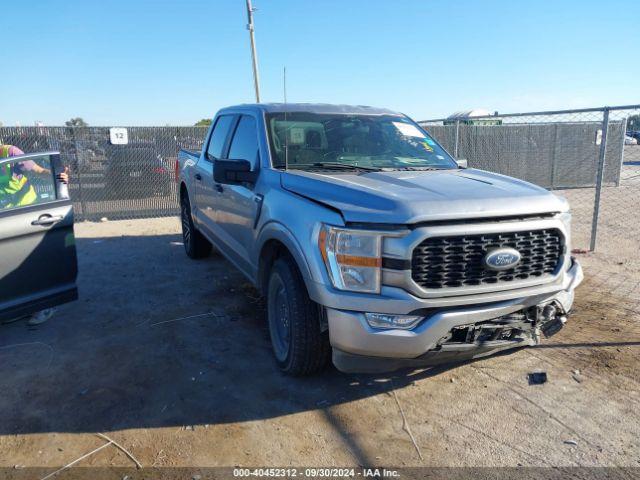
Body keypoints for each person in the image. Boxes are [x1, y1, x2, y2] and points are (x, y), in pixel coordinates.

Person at [1, 144, 70, 324]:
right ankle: (21, 306)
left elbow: (38, 170)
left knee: (31, 264)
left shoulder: (10, 153)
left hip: (26, 215)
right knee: (9, 266)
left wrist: (57, 176)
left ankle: (47, 305)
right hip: (5, 219)